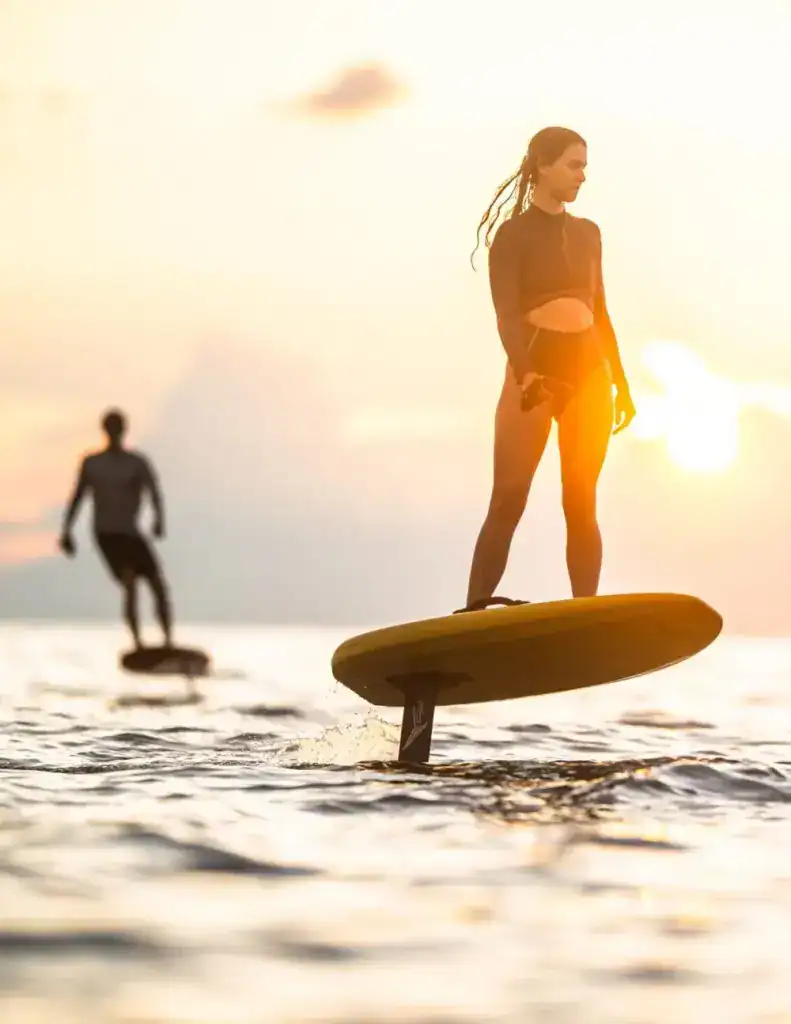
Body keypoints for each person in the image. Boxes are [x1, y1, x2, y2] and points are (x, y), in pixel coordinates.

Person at [460, 126, 636, 612]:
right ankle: (474, 612)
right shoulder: (512, 236)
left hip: (590, 372)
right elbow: (506, 315)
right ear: (542, 165)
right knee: (508, 499)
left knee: (581, 501)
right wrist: (525, 373)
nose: (582, 175)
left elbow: (601, 312)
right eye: (574, 165)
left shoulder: (588, 234)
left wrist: (621, 383)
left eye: (584, 166)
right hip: (535, 369)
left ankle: (585, 614)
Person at [59, 408, 174, 650]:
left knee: (157, 584)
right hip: (106, 534)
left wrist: (159, 520)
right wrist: (66, 531)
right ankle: (137, 643)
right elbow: (78, 497)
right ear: (105, 430)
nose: (115, 433)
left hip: (131, 533)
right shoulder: (92, 463)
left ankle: (168, 641)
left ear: (124, 430)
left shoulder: (137, 463)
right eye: (111, 429)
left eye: (118, 429)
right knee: (130, 581)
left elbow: (154, 491)